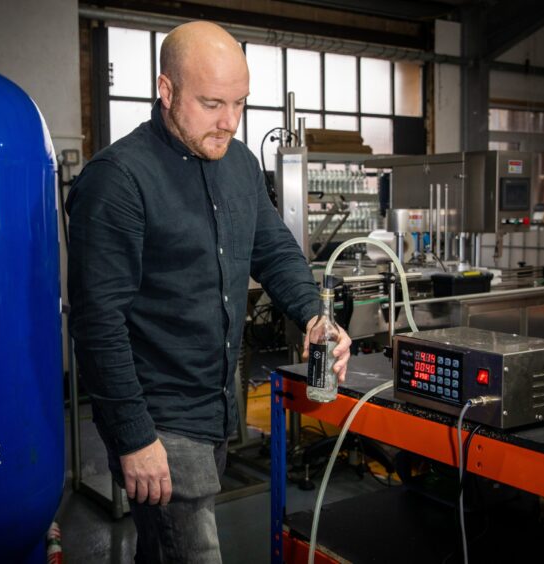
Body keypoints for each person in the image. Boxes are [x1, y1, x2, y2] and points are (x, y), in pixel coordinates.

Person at [67, 20, 352, 563]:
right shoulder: (119, 180)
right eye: (213, 103)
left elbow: (275, 251)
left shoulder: (240, 165)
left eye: (240, 104)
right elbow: (98, 321)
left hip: (219, 404)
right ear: (166, 89)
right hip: (160, 418)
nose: (230, 122)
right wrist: (132, 436)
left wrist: (316, 316)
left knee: (163, 550)